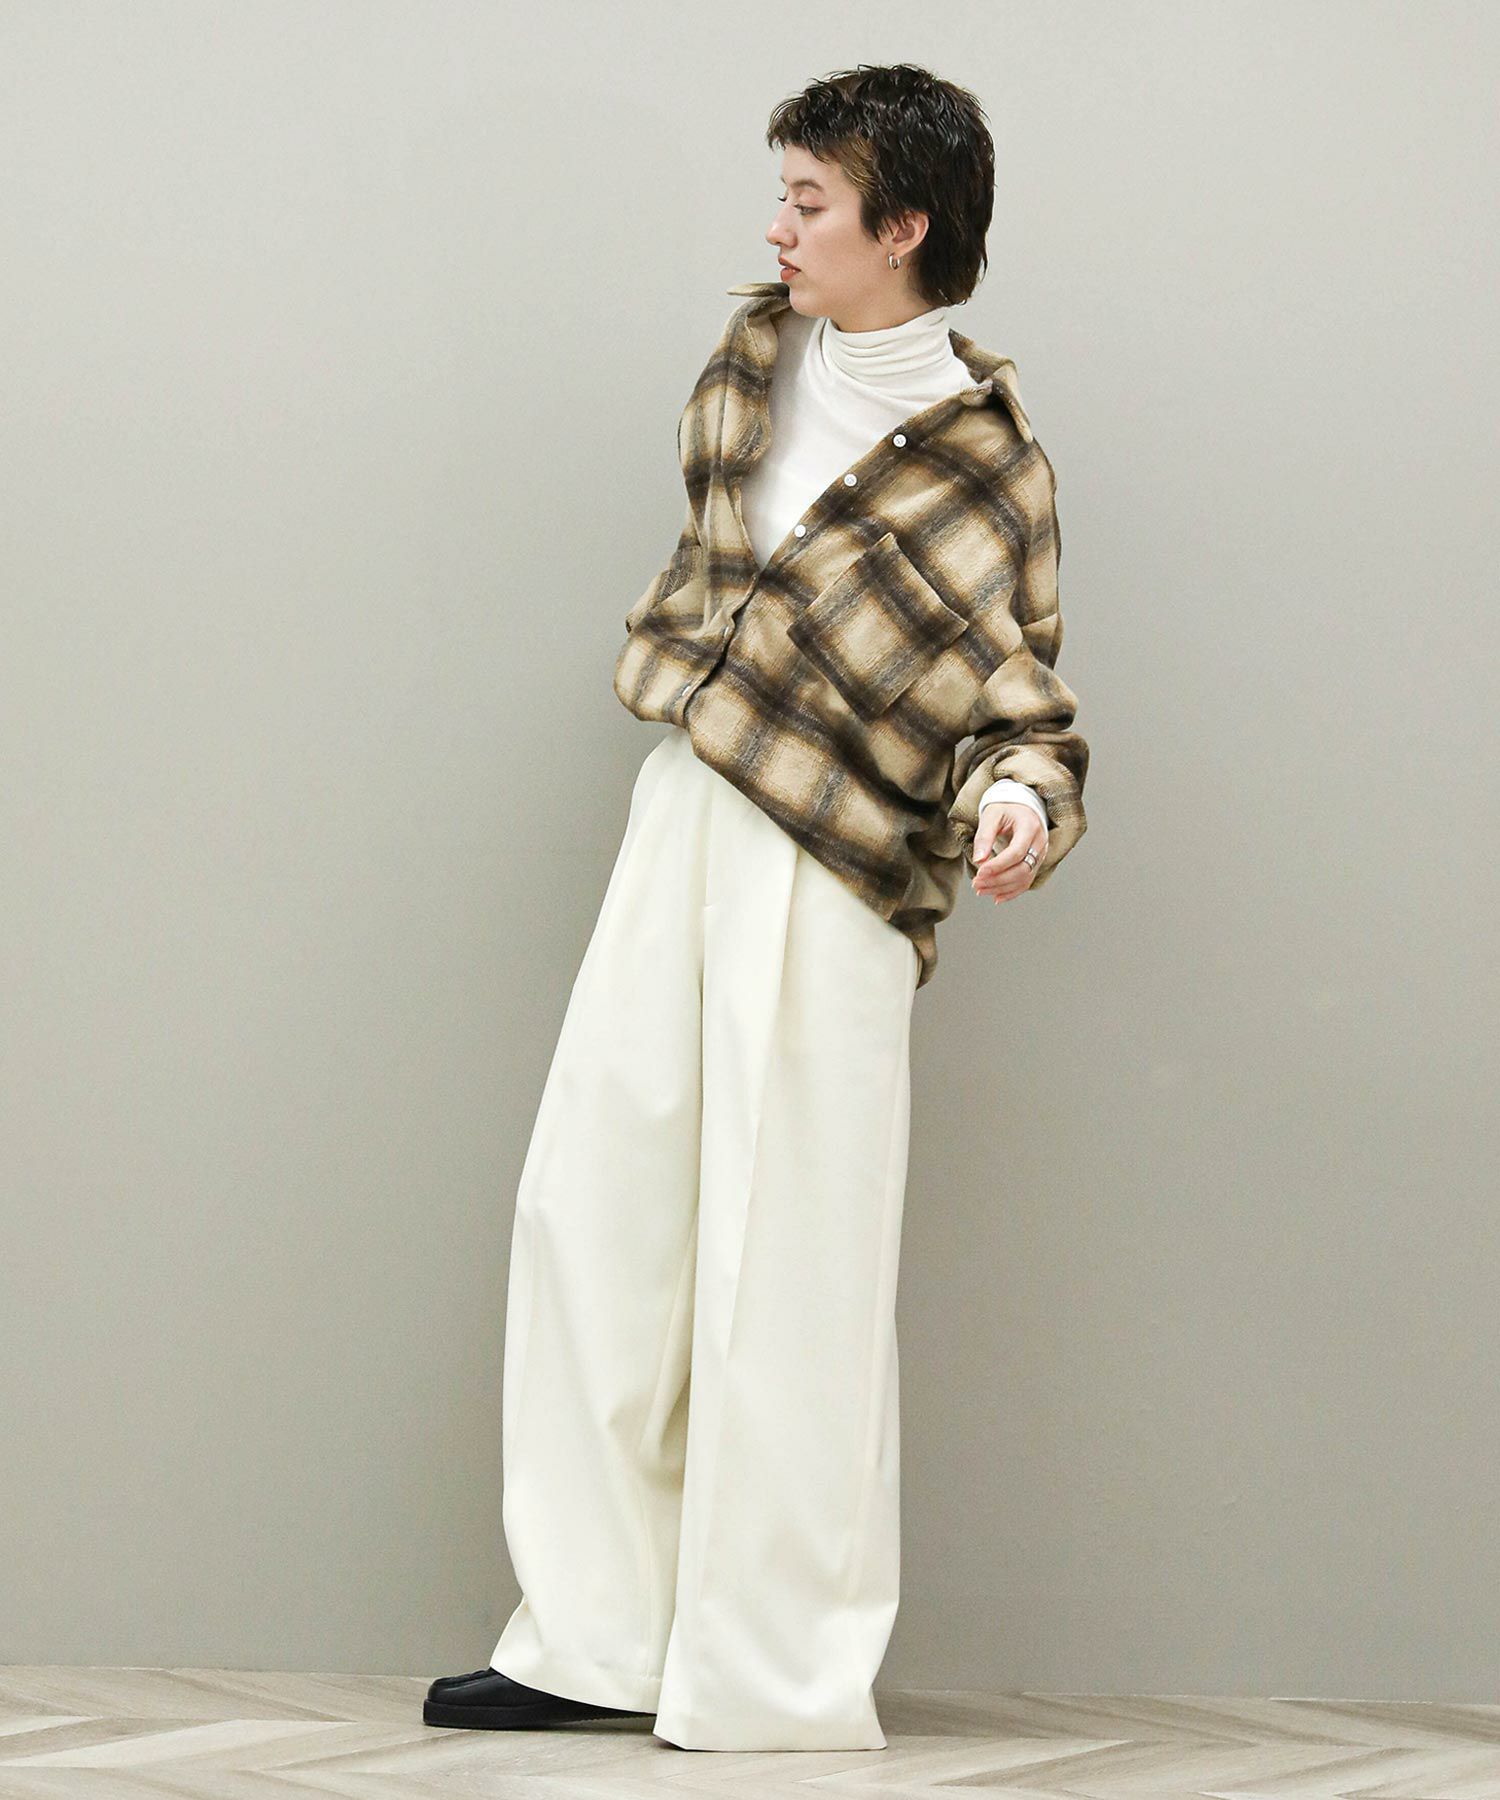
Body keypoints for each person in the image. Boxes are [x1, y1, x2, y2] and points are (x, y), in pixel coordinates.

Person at [423, 61, 1089, 1754]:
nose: (778, 228)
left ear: (904, 226)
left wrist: (1017, 800)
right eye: (783, 194)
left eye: (810, 201)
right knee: (597, 1218)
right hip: (694, 802)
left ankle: (771, 1673)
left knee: (790, 1271)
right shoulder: (750, 360)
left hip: (841, 866)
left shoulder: (990, 464)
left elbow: (1019, 689)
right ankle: (592, 1641)